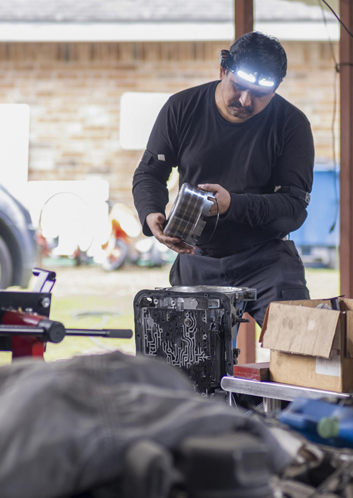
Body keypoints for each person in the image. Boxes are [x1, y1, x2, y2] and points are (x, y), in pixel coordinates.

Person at [132, 31, 313, 325]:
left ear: (276, 89)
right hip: (197, 255)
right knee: (189, 359)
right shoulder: (181, 108)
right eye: (238, 87)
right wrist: (151, 214)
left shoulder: (292, 125)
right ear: (222, 70)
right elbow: (150, 173)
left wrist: (233, 205)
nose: (244, 100)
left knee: (298, 341)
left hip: (266, 257)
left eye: (259, 94)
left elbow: (293, 207)